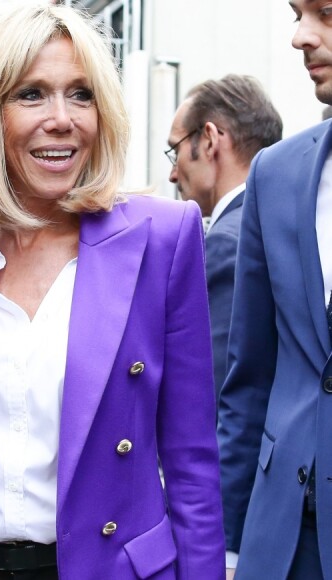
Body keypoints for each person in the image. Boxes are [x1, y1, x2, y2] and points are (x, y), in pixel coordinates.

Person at [0, 4, 225, 579]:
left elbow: (192, 468)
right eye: (32, 94)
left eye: (81, 94)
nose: (62, 119)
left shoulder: (163, 238)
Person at [218, 2, 332, 578]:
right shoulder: (275, 173)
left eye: (328, 12)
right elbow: (250, 378)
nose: (300, 37)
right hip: (282, 539)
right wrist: (231, 545)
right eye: (296, 13)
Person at [166, 74, 282, 404]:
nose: (173, 174)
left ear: (210, 140)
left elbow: (214, 393)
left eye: (175, 151)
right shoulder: (281, 226)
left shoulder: (228, 243)